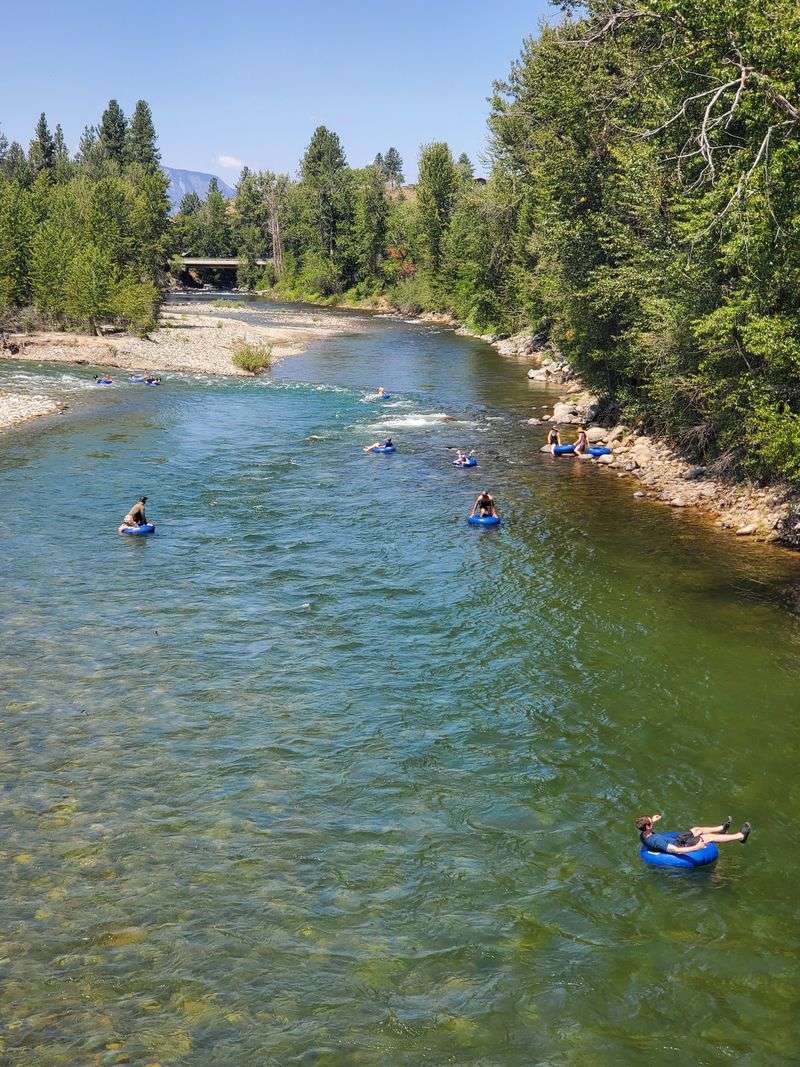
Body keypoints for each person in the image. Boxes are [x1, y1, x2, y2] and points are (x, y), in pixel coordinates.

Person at [635, 812, 751, 855]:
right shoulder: (656, 841)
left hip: (677, 840)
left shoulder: (644, 834)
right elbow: (675, 850)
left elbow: (647, 826)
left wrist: (653, 820)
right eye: (650, 821)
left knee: (696, 829)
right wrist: (696, 847)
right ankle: (741, 836)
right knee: (708, 837)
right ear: (647, 827)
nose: (652, 821)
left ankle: (721, 829)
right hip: (681, 846)